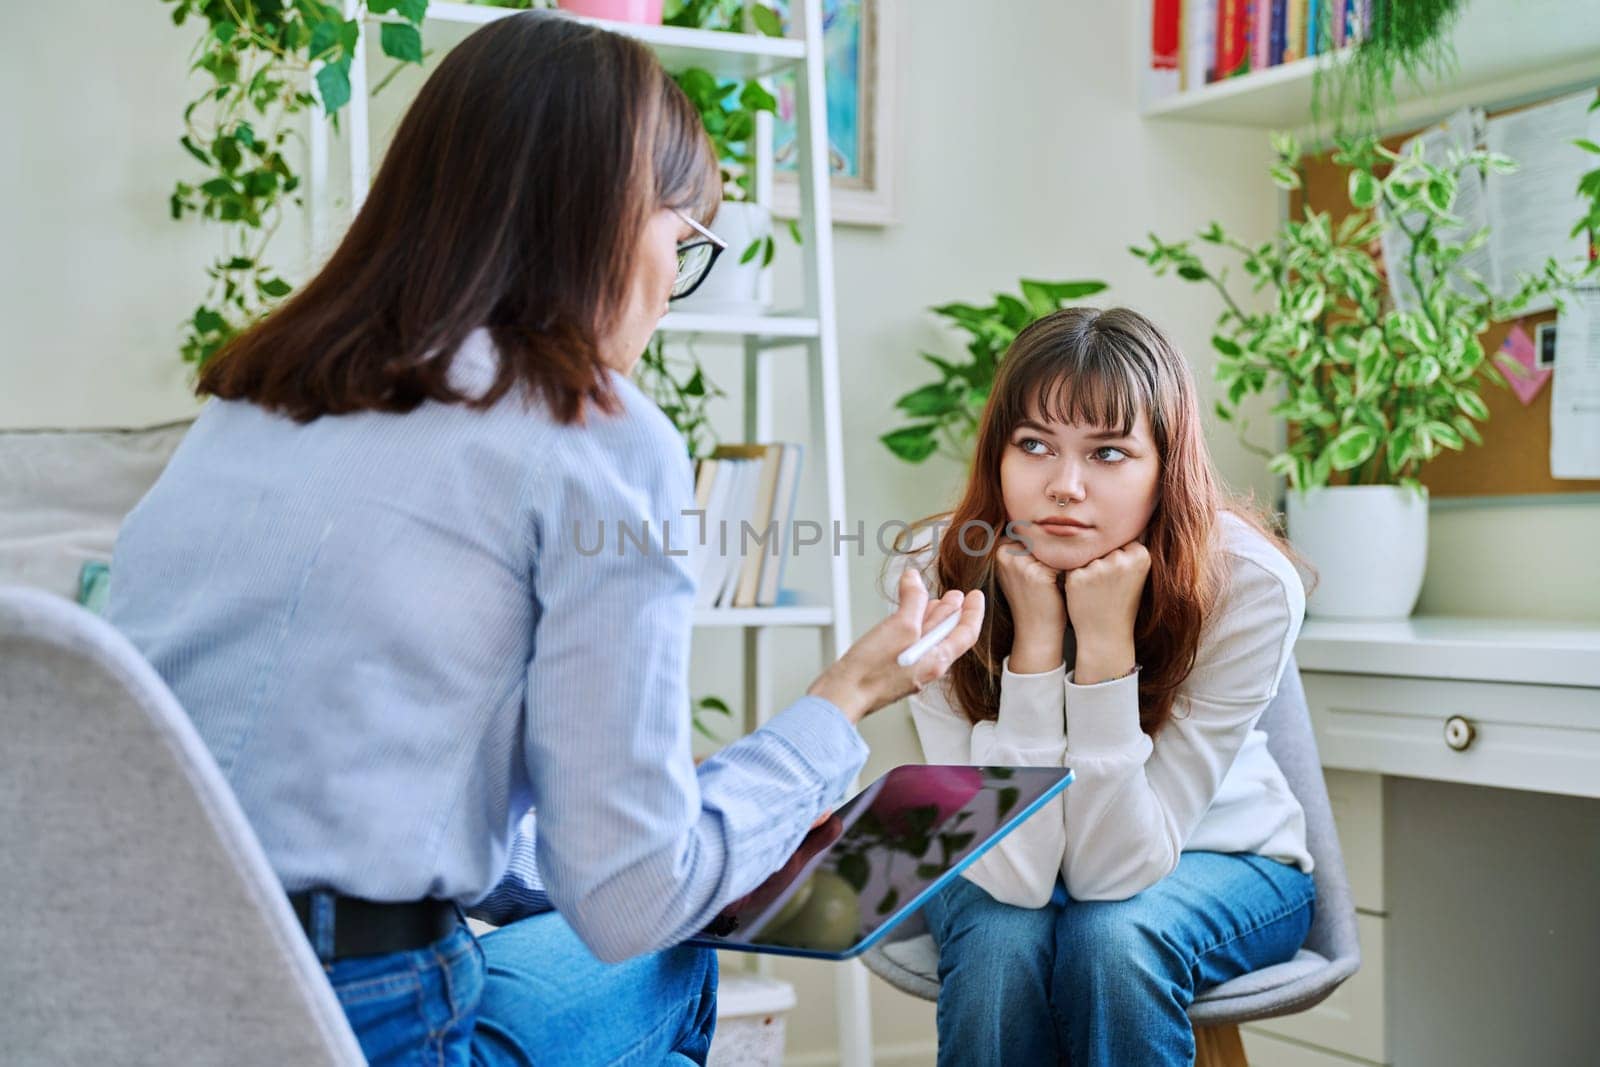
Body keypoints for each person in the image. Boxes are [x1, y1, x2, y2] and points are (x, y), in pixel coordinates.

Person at [106, 11, 983, 1065]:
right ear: (611, 221)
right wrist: (837, 707)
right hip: (359, 1021)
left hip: (125, 985)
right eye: (683, 240)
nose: (672, 285)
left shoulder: (249, 403)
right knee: (668, 954)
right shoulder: (595, 437)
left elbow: (349, 789)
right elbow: (630, 898)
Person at [888, 307, 1315, 1067]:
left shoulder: (1245, 585)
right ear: (998, 454)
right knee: (1000, 937)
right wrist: (1037, 647)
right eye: (1034, 445)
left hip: (1223, 854)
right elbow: (1016, 878)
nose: (1065, 486)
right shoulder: (939, 575)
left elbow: (1109, 875)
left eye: (1110, 452)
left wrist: (1107, 649)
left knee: (1111, 940)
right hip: (992, 864)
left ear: (1165, 465)